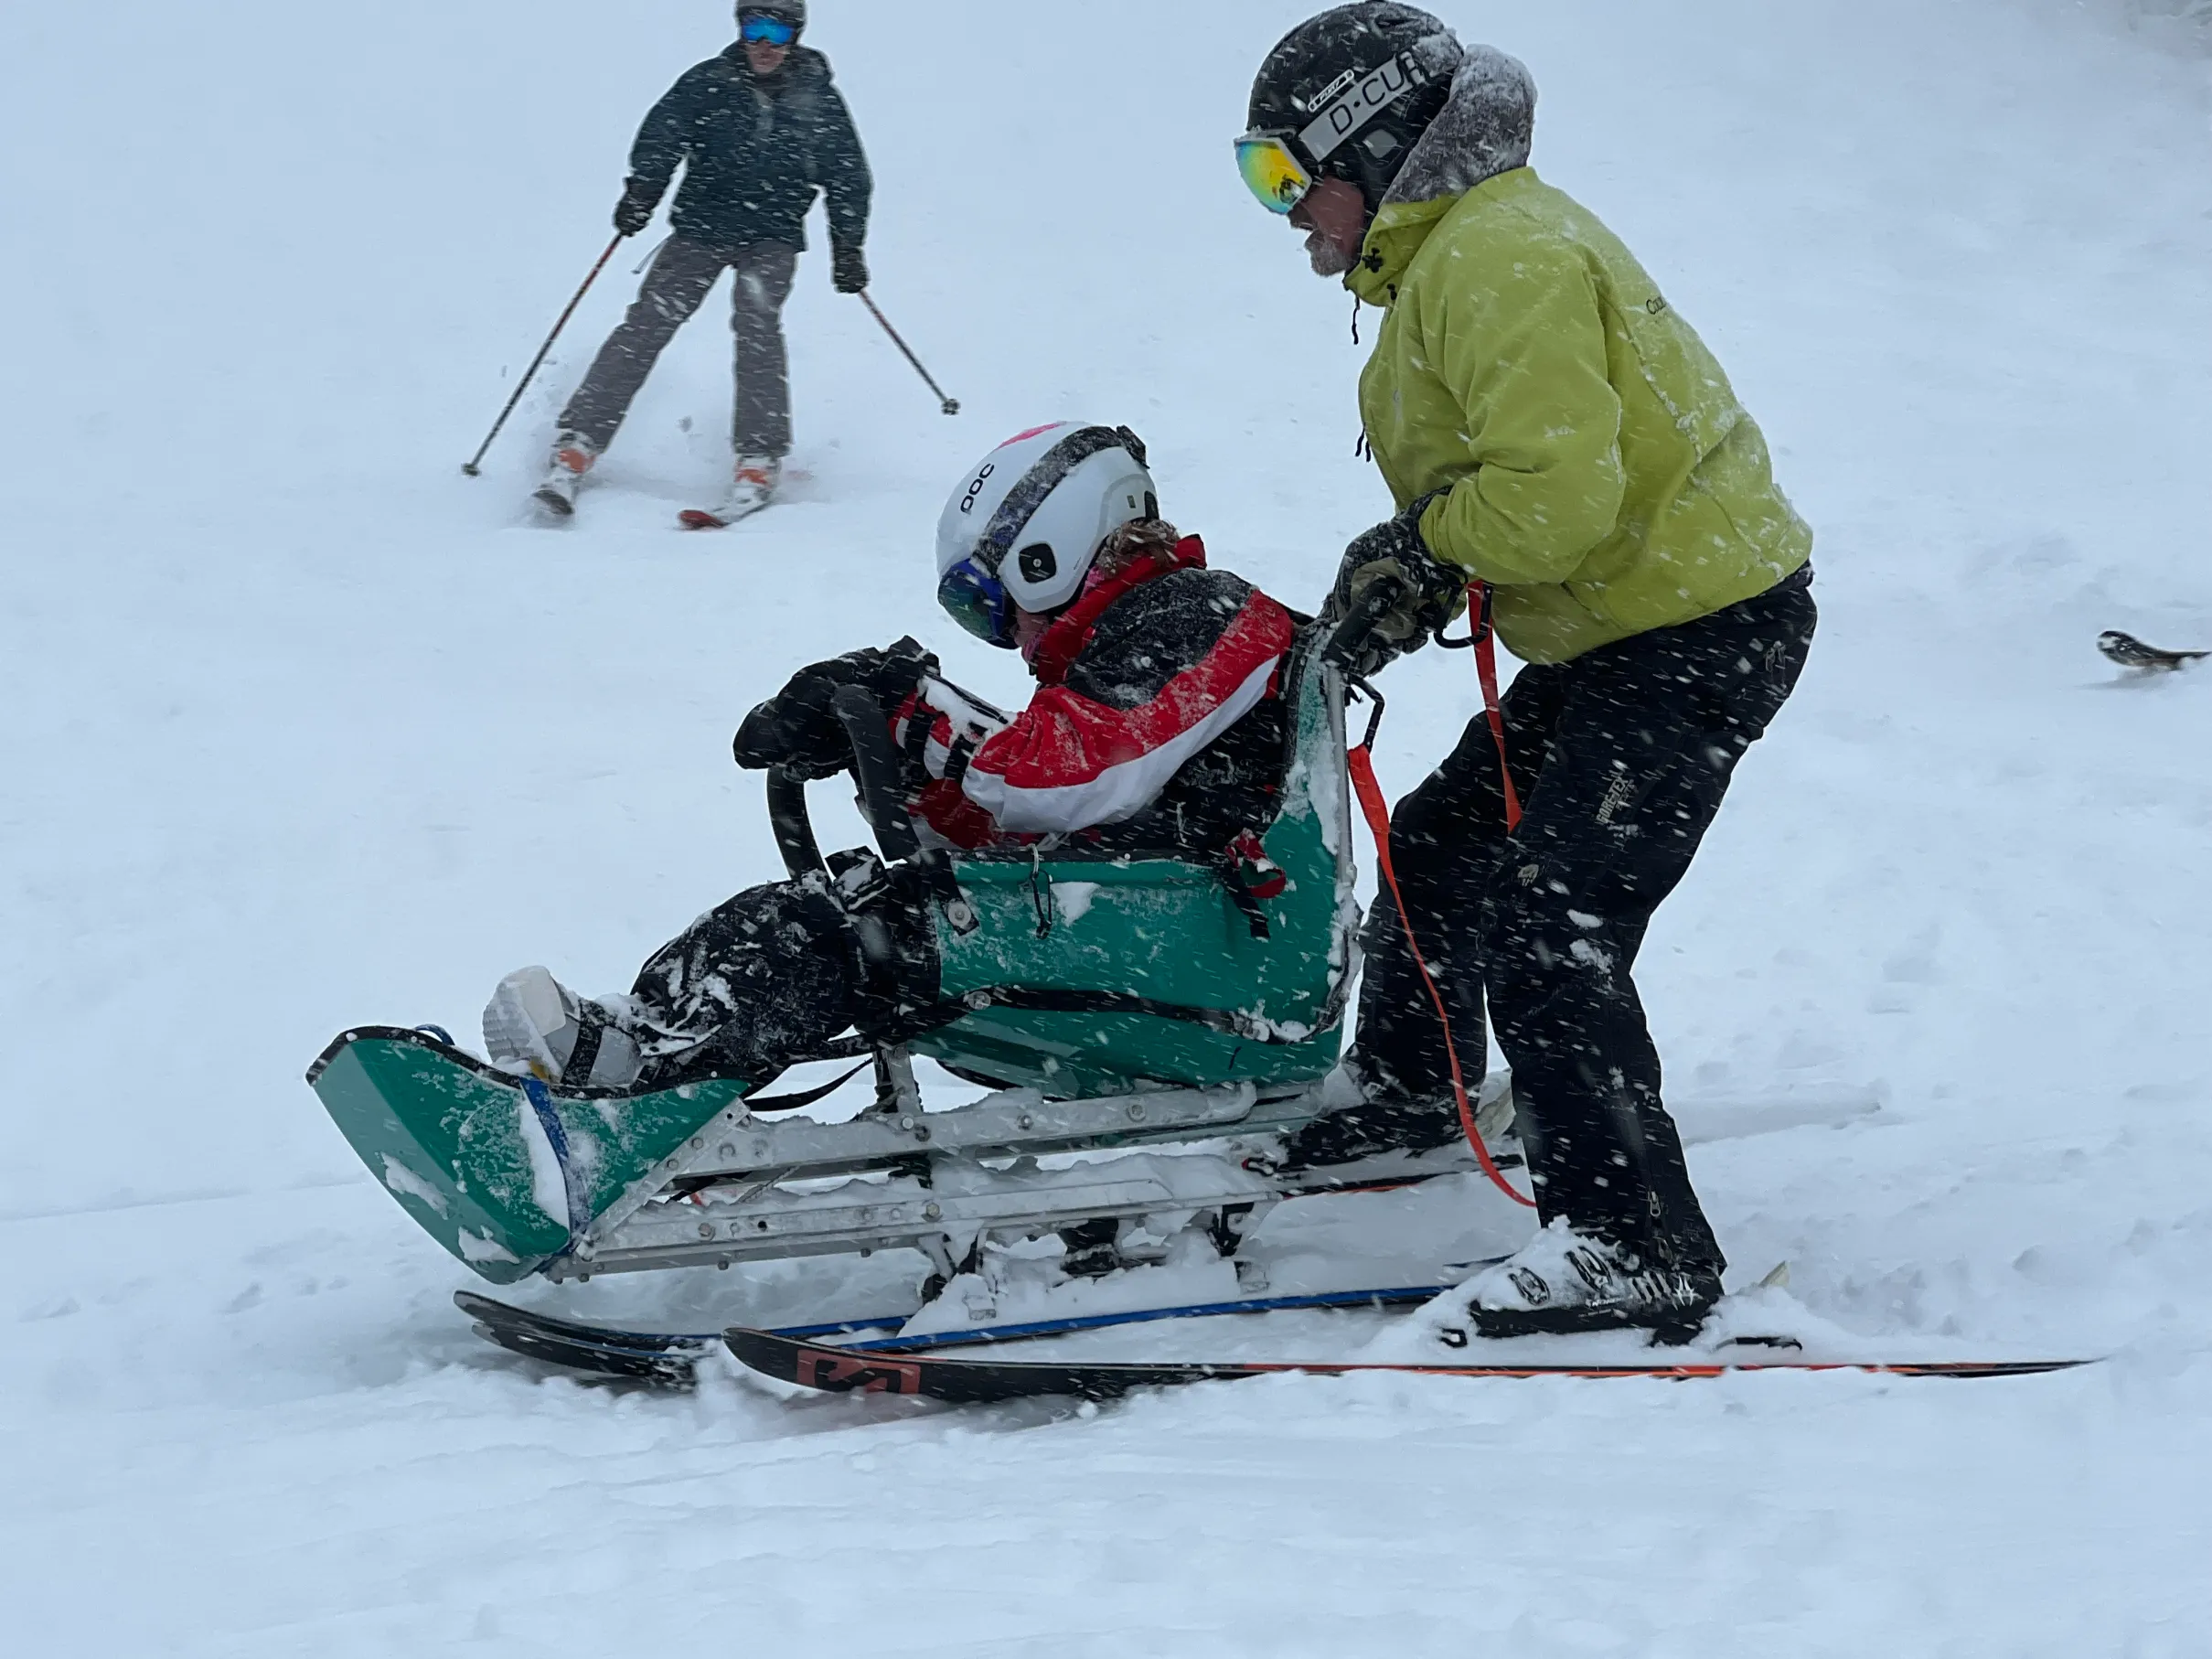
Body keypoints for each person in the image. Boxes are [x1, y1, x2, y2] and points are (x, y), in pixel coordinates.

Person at [1236, 5, 1817, 1339]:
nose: (1281, 213)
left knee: (1553, 926)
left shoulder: (1494, 258)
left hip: (1689, 630)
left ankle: (1632, 1241)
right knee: (1445, 849)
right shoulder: (1459, 253)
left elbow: (1552, 500)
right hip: (1624, 628)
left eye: (1283, 176)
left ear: (1368, 150)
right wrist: (1423, 554)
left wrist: (1425, 550)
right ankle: (1407, 1089)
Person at [486, 423, 1298, 1093]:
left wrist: (908, 703)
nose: (1002, 636)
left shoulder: (1207, 615)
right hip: (1156, 929)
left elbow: (1060, 781)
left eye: (986, 603)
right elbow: (1033, 801)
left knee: (845, 931)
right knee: (834, 912)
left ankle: (639, 1080)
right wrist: (891, 745)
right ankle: (644, 1050)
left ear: (1046, 554)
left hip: (1223, 960)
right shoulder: (1144, 639)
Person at [533, 2, 872, 524]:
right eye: (752, 27)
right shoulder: (710, 82)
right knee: (646, 325)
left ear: (795, 35)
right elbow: (662, 134)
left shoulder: (817, 99)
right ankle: (577, 443)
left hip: (772, 235)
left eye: (776, 30)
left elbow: (847, 172)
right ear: (739, 29)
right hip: (702, 228)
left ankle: (759, 458)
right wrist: (644, 189)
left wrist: (847, 245)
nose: (763, 43)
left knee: (758, 330)